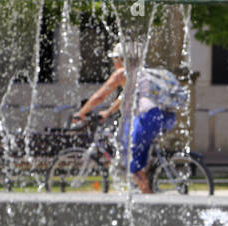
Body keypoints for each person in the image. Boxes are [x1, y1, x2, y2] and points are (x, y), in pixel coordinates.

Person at [71, 43, 181, 194]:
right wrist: (108, 112)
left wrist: (81, 113)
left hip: (149, 118)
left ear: (122, 59)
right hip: (167, 117)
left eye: (114, 59)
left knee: (132, 163)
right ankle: (148, 179)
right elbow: (124, 98)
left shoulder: (123, 73)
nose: (113, 63)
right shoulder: (143, 73)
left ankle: (148, 199)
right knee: (138, 152)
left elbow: (100, 96)